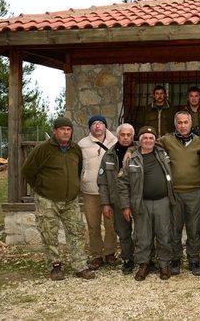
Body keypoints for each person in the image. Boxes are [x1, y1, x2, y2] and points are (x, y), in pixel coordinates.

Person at [22, 117, 95, 281]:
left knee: (76, 232)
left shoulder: (75, 149)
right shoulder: (43, 149)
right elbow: (28, 171)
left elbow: (78, 170)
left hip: (71, 200)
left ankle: (80, 266)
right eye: (62, 129)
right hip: (48, 199)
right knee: (49, 234)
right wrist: (41, 187)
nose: (66, 132)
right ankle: (55, 266)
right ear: (55, 131)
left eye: (68, 129)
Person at [119, 126, 175, 281]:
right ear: (140, 140)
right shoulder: (132, 158)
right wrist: (126, 206)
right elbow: (123, 183)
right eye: (145, 138)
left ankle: (164, 264)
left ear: (155, 140)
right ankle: (144, 264)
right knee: (142, 235)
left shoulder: (162, 154)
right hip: (141, 203)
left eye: (151, 138)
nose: (148, 140)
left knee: (164, 234)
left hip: (163, 201)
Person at [158, 111, 200, 276]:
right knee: (175, 228)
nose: (183, 125)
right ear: (175, 124)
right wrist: (130, 151)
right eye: (180, 122)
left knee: (194, 228)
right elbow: (146, 144)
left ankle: (193, 259)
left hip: (194, 192)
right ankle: (176, 258)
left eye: (186, 122)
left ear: (191, 123)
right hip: (175, 192)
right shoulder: (166, 140)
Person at [78, 115, 118, 270]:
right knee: (93, 225)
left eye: (100, 123)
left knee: (111, 224)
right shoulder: (82, 144)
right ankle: (96, 255)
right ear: (90, 127)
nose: (98, 126)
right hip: (90, 190)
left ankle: (110, 253)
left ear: (105, 126)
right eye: (94, 124)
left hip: (109, 190)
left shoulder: (114, 142)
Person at [98, 123, 137, 275]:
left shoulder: (141, 151)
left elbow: (157, 141)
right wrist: (105, 203)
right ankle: (128, 260)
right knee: (124, 233)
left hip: (138, 199)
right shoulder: (108, 155)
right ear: (118, 135)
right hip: (118, 201)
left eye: (129, 135)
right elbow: (102, 182)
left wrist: (132, 149)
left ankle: (144, 259)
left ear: (133, 137)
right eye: (123, 135)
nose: (126, 137)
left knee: (142, 233)